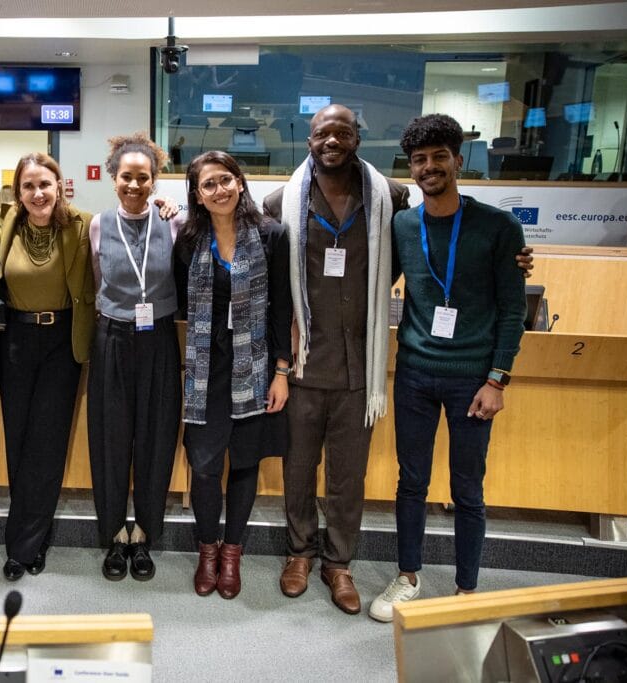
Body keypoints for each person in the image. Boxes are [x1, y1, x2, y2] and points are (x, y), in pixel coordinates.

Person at [369, 114, 527, 622]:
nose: (429, 167)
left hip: (472, 380)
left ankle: (466, 590)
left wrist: (497, 379)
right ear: (411, 168)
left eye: (440, 157)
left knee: (467, 488)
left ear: (459, 161)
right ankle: (408, 575)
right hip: (415, 372)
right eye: (420, 159)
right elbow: (375, 280)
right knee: (410, 481)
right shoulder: (402, 225)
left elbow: (513, 310)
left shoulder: (499, 227)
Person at [263, 104, 409, 614]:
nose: (332, 141)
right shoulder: (278, 201)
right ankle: (299, 554)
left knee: (348, 477)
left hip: (358, 367)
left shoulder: (391, 197)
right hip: (304, 362)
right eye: (323, 133)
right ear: (309, 140)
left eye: (343, 133)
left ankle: (339, 563)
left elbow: (407, 257)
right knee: (299, 470)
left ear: (356, 139)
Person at [0, 153, 94, 581]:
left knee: (47, 443)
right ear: (17, 192)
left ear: (59, 185)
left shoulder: (82, 225)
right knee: (18, 440)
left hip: (61, 342)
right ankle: (30, 535)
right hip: (15, 341)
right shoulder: (4, 221)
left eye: (45, 184)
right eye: (29, 186)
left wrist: (166, 207)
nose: (38, 193)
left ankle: (24, 545)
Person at [174, 151, 291, 599]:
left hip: (254, 367)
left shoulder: (271, 235)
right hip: (206, 369)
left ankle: (232, 554)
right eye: (208, 184)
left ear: (240, 183)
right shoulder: (188, 240)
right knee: (204, 466)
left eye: (226, 180)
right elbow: (181, 303)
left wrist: (281, 371)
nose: (219, 190)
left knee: (244, 462)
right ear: (197, 196)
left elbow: (282, 308)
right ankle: (207, 550)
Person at [88, 133, 180, 582]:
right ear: (113, 178)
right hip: (112, 337)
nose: (134, 185)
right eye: (127, 176)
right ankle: (113, 534)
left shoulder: (173, 222)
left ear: (154, 180)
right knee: (110, 440)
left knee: (155, 439)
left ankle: (143, 533)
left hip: (158, 339)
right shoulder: (98, 225)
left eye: (143, 178)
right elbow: (96, 280)